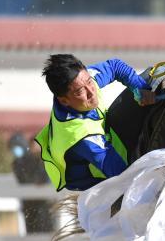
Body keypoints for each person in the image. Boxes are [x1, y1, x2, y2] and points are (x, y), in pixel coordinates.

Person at [35, 54, 156, 192]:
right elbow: (123, 176)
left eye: (89, 82)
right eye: (80, 91)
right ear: (64, 101)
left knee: (147, 79)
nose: (91, 92)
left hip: (106, 137)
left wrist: (140, 88)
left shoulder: (82, 79)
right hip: (96, 186)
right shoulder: (83, 138)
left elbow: (115, 65)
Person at [9, 132, 54, 237]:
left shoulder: (47, 160)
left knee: (46, 233)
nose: (36, 148)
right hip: (29, 204)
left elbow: (48, 178)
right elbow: (23, 177)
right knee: (31, 233)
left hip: (44, 204)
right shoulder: (22, 162)